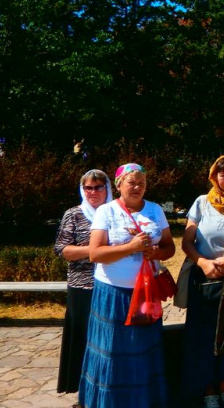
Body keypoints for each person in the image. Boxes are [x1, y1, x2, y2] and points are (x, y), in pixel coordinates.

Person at [79, 163, 175, 408]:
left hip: (146, 292)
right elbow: (95, 253)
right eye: (131, 182)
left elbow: (169, 247)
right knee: (112, 351)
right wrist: (130, 248)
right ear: (119, 184)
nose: (137, 187)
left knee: (143, 350)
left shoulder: (154, 210)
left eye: (141, 183)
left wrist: (156, 253)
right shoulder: (106, 211)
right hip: (114, 292)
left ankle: (144, 401)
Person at [180, 155, 224, 408]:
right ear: (214, 176)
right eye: (222, 175)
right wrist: (204, 263)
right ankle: (208, 389)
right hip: (204, 278)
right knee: (203, 336)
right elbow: (187, 241)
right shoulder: (202, 203)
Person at [54, 169, 112, 394]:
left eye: (98, 187)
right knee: (83, 337)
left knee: (105, 340)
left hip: (110, 284)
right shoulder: (73, 214)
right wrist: (95, 251)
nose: (93, 192)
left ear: (107, 188)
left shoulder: (115, 212)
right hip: (83, 285)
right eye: (88, 187)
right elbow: (62, 249)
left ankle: (104, 387)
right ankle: (81, 389)